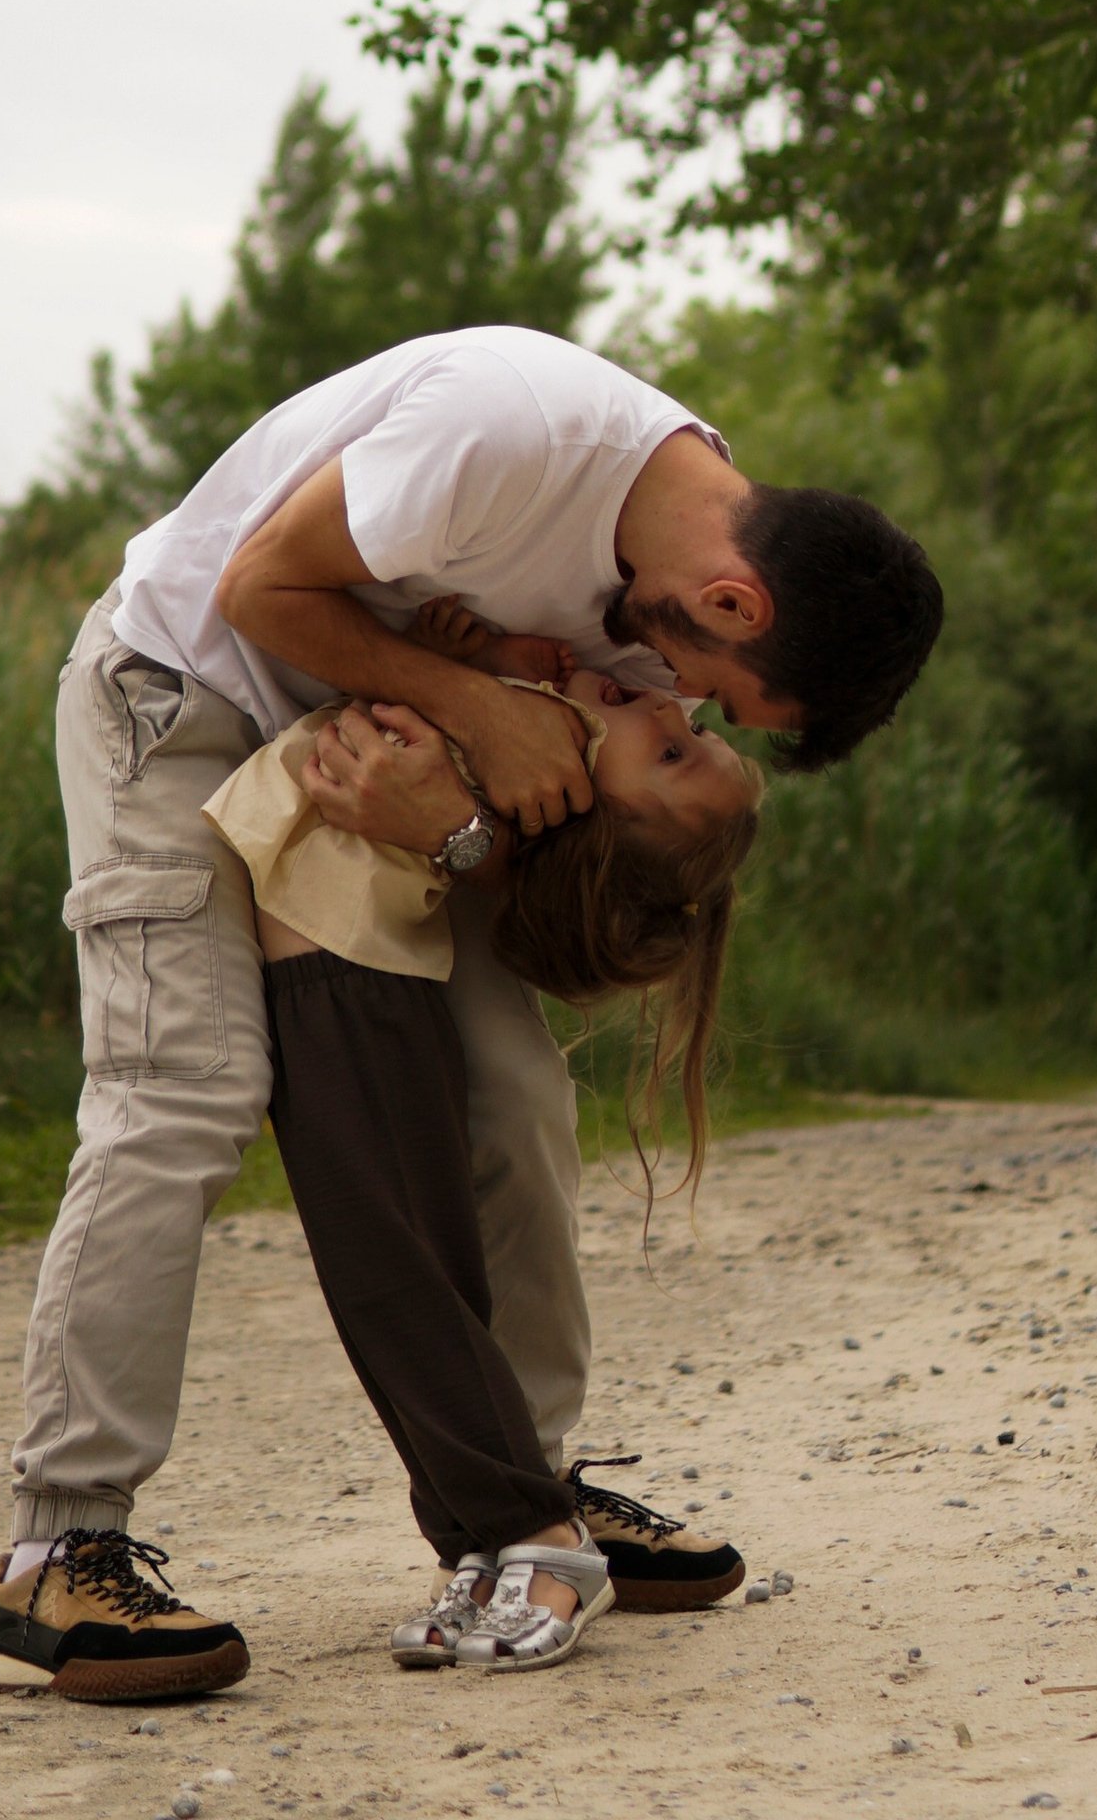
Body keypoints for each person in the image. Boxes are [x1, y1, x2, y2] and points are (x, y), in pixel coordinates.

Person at [0, 323, 940, 1702]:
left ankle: (521, 1492)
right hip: (182, 702)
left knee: (513, 1082)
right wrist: (472, 699)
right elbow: (259, 590)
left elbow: (541, 858)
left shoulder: (676, 587)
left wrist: (467, 821)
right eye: (722, 696)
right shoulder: (508, 432)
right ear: (734, 604)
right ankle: (53, 1554)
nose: (690, 705)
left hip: (387, 764)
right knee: (182, 1092)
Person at [212, 611, 759, 1672]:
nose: (667, 707)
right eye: (686, 736)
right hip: (328, 929)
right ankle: (521, 1513)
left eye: (680, 745)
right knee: (390, 1243)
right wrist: (476, 668)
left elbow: (451, 786)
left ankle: (526, 1498)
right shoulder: (564, 704)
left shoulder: (547, 751)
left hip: (362, 924)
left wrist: (479, 690)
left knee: (495, 1140)